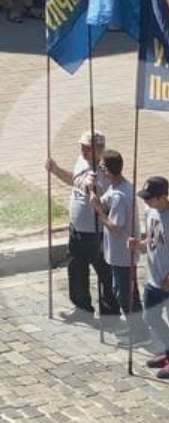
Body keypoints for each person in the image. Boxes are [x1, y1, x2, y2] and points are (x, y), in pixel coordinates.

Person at [47, 132, 114, 321]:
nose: (83, 150)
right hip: (77, 228)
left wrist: (93, 188)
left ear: (100, 150)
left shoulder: (106, 169)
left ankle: (110, 315)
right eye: (82, 146)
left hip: (96, 231)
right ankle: (82, 308)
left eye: (88, 148)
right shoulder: (81, 161)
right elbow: (74, 180)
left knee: (104, 273)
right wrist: (56, 170)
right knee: (76, 269)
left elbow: (106, 197)